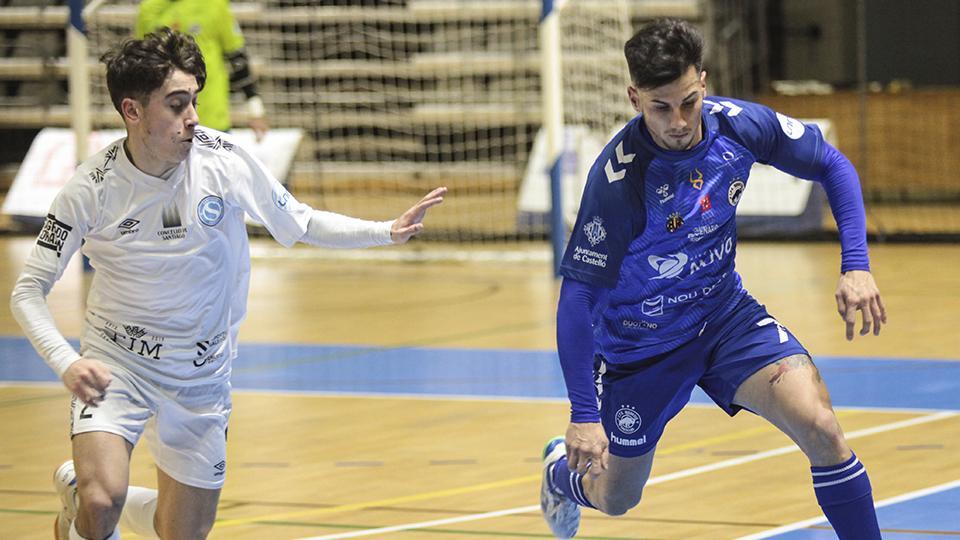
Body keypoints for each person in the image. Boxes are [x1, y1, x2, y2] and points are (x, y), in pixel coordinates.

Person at [10, 29, 445, 540]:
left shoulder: (224, 160)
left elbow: (300, 222)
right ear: (132, 110)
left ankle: (80, 494)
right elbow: (28, 290)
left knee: (181, 533)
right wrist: (67, 361)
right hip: (117, 365)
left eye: (193, 100)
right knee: (104, 502)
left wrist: (385, 233)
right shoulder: (90, 188)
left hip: (201, 373)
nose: (192, 116)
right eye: (176, 105)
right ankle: (88, 504)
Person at [539, 18, 886, 539]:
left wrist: (856, 264)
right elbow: (577, 300)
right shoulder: (618, 183)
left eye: (688, 101)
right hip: (640, 352)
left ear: (703, 81)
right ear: (635, 98)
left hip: (726, 320)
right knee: (617, 497)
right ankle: (559, 477)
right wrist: (583, 414)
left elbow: (832, 165)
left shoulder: (738, 125)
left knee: (822, 429)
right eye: (661, 107)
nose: (679, 121)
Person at [136, 0, 269, 140]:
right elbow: (141, 64)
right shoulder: (148, 9)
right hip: (166, 122)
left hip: (212, 120)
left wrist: (255, 108)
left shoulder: (214, 4)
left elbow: (236, 56)